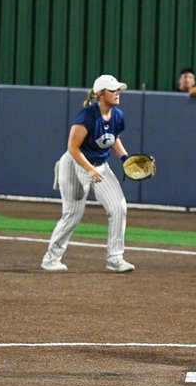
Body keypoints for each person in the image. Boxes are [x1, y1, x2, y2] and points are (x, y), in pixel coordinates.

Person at [41, 74, 136, 273]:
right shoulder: (87, 116)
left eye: (118, 89)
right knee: (73, 214)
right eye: (113, 90)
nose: (118, 93)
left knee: (119, 208)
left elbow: (113, 138)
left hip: (100, 166)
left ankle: (115, 258)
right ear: (101, 94)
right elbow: (73, 148)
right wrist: (89, 169)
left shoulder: (118, 115)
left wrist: (125, 158)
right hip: (75, 164)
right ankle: (51, 258)